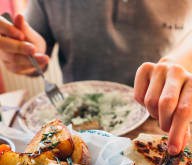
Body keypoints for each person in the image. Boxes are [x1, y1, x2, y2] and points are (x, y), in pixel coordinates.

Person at [0, 0, 192, 155]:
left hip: (163, 123)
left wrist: (178, 61)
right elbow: (37, 49)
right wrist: (26, 53)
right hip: (74, 138)